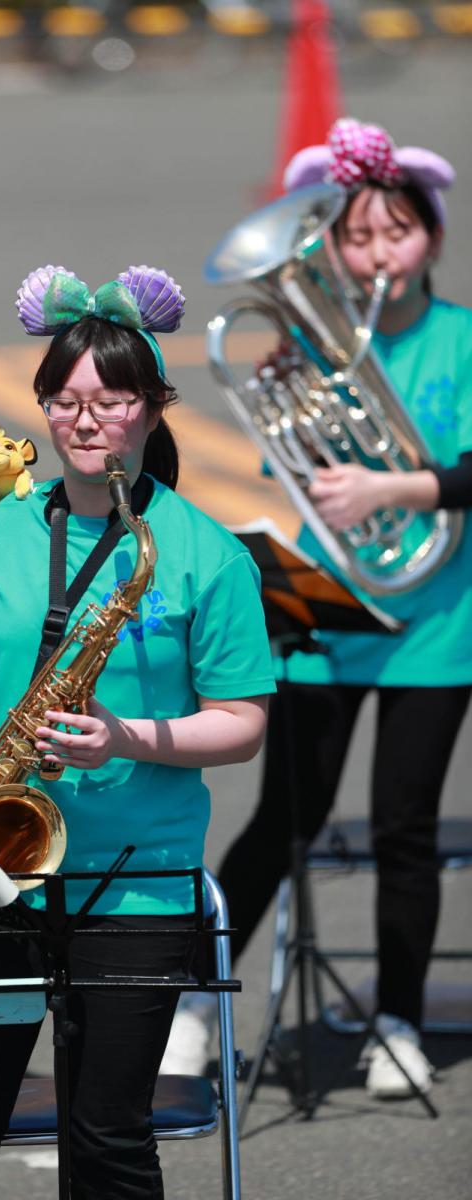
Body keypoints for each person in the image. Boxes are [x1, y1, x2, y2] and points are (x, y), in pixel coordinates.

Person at [0, 263, 275, 1200]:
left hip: (133, 887)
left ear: (153, 409)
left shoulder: (206, 554)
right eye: (63, 402)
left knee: (107, 1140)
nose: (85, 421)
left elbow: (242, 724)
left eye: (110, 401)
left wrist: (125, 736)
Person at [214, 118, 472, 1099]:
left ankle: (397, 1019)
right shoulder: (308, 351)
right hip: (324, 610)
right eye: (356, 238)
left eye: (395, 232)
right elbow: (297, 466)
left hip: (437, 623)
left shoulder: (461, 340)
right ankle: (192, 1003)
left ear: (431, 238)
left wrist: (390, 490)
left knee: (404, 827)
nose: (376, 255)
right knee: (285, 813)